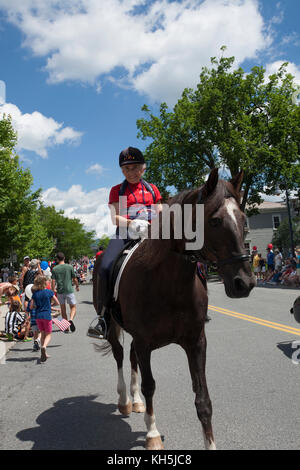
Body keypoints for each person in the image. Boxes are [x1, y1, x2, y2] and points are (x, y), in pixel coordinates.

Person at [87, 146, 163, 339]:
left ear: (143, 168)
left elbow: (161, 213)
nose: (131, 172)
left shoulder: (152, 189)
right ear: (122, 171)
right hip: (125, 234)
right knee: (104, 266)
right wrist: (132, 223)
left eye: (135, 167)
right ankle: (103, 318)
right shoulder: (116, 191)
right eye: (127, 169)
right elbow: (115, 219)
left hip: (152, 234)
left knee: (185, 255)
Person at [31, 274, 59, 362]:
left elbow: (31, 306)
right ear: (44, 283)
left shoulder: (35, 294)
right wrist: (50, 305)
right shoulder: (49, 292)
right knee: (49, 334)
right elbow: (57, 302)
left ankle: (44, 353)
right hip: (46, 315)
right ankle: (44, 346)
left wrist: (38, 306)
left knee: (42, 333)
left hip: (38, 316)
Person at [51, 252, 79, 333]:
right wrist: (77, 286)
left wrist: (53, 290)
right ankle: (71, 319)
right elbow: (74, 278)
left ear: (57, 259)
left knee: (63, 309)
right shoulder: (69, 267)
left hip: (60, 291)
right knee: (73, 307)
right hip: (69, 290)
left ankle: (66, 327)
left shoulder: (55, 269)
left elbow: (53, 281)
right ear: (64, 258)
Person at [25, 284, 41, 352]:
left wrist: (27, 318)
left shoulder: (29, 302)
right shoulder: (39, 300)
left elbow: (27, 311)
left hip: (33, 320)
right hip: (40, 318)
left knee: (35, 333)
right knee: (41, 332)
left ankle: (35, 345)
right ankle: (38, 340)